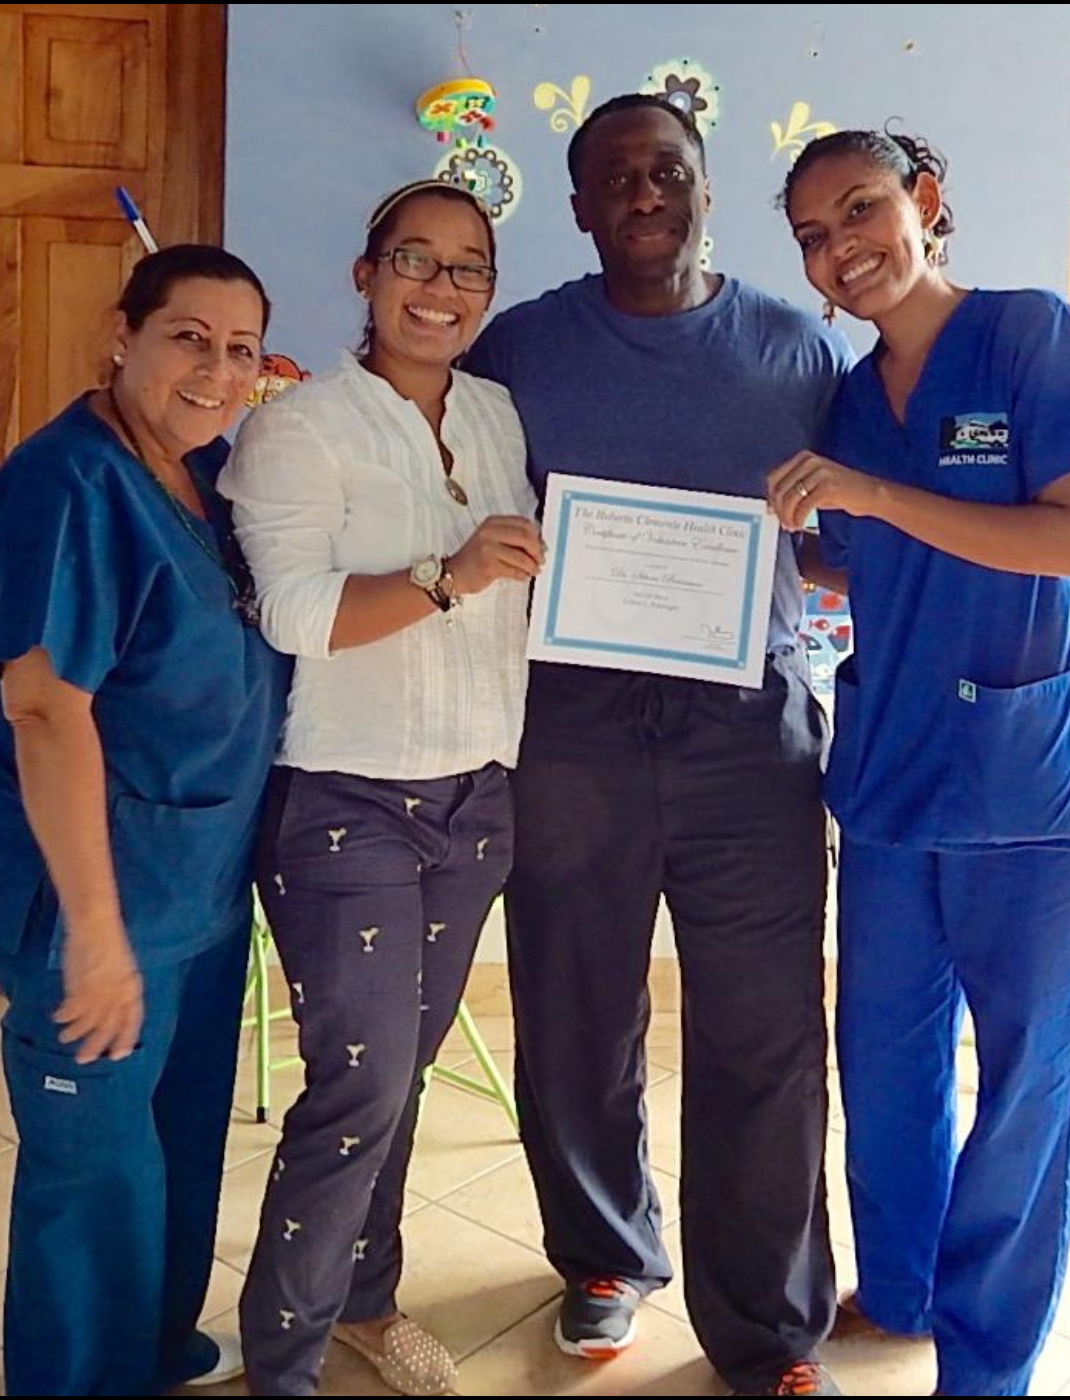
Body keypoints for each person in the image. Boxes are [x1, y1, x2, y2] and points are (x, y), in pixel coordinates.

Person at [463, 94, 851, 1397]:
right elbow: (450, 497)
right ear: (578, 208)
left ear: (703, 189)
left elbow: (850, 533)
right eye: (614, 176)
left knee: (765, 1031)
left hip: (750, 735)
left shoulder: (796, 351)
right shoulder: (519, 349)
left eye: (666, 170)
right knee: (573, 1008)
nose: (642, 192)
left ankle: (769, 1329)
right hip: (571, 727)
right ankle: (602, 1257)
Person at [770, 129, 1070, 1397]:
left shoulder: (1026, 335)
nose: (841, 251)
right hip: (885, 781)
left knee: (1027, 1089)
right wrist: (754, 557)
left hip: (1026, 792)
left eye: (861, 210)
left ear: (924, 202)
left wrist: (875, 504)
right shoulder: (843, 392)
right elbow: (864, 561)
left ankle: (985, 1360)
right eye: (813, 237)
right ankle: (906, 1283)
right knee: (883, 1066)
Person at [0, 245, 289, 1395]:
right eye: (189, 335)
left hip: (189, 880)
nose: (216, 368)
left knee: (175, 1143)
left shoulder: (206, 474)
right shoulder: (67, 484)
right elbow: (42, 709)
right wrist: (93, 933)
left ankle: (152, 1348)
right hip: (88, 892)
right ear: (119, 334)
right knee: (95, 1172)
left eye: (239, 348)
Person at [218, 179, 540, 1399]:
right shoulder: (297, 427)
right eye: (415, 258)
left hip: (478, 788)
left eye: (469, 268)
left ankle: (367, 1295)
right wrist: (450, 574)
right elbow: (295, 612)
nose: (440, 287)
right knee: (354, 1082)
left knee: (397, 1076)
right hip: (345, 795)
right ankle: (283, 1364)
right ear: (364, 276)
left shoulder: (501, 412)